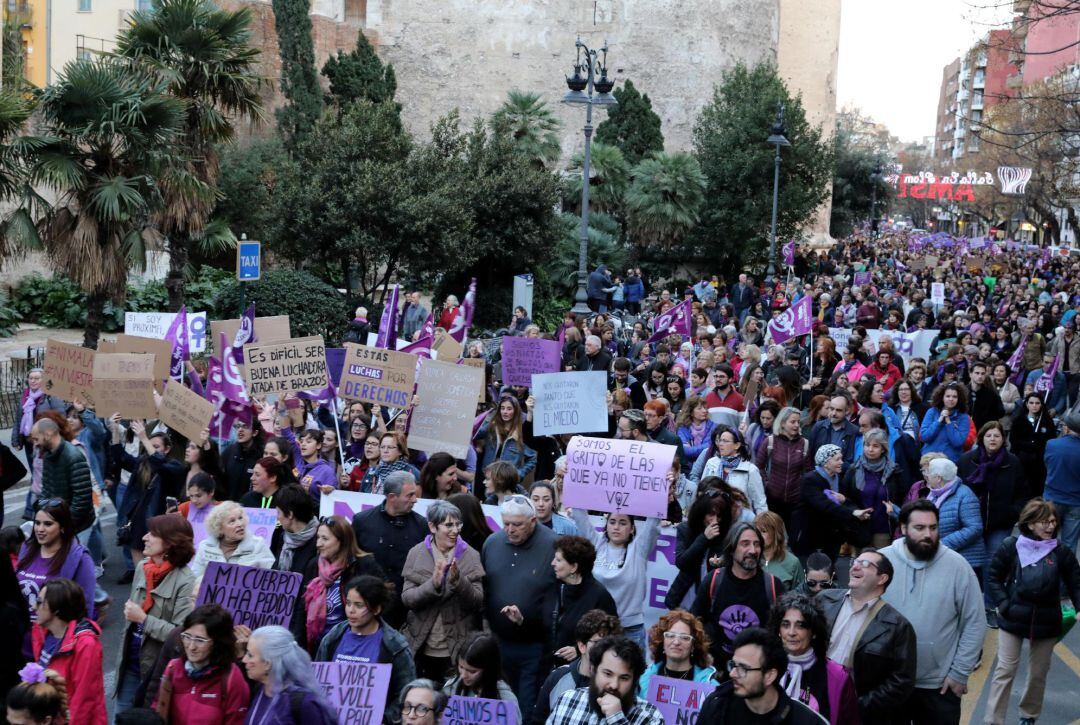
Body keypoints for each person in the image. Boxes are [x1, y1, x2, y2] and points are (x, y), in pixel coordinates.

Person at [880, 500, 986, 724]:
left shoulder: (958, 566)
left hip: (938, 686)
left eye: (933, 527)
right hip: (888, 681)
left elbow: (975, 622)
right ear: (904, 528)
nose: (928, 534)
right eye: (920, 528)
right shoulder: (881, 561)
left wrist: (960, 673)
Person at [985, 498, 1080, 725]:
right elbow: (993, 577)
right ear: (1029, 524)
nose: (1050, 527)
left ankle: (1029, 715)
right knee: (1005, 670)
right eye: (1044, 522)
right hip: (1012, 617)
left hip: (1047, 620)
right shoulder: (1011, 546)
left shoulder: (1062, 552)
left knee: (1038, 674)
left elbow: (1076, 582)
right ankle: (993, 720)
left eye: (1053, 522)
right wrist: (1004, 604)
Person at [816, 548, 915, 724]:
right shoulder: (824, 600)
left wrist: (855, 705)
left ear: (882, 578)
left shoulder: (898, 626)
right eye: (855, 562)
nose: (855, 567)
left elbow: (901, 683)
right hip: (816, 698)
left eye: (865, 564)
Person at [480, 496, 557, 721]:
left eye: (517, 524)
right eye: (506, 523)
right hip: (498, 642)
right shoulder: (492, 543)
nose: (510, 530)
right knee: (496, 703)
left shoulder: (553, 545)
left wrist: (528, 620)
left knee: (525, 708)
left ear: (533, 521)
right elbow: (484, 589)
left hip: (535, 646)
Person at [115, 515, 197, 714]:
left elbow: (181, 636)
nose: (144, 537)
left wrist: (143, 620)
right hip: (129, 663)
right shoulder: (143, 567)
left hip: (158, 671)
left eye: (152, 534)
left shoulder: (186, 581)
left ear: (170, 543)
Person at [400, 500, 484, 684]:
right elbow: (407, 599)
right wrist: (433, 585)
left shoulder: (471, 555)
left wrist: (459, 582)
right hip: (421, 645)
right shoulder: (416, 553)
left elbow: (477, 601)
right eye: (448, 525)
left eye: (458, 524)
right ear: (432, 527)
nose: (455, 530)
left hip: (455, 647)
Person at [315, 575, 416, 723]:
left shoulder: (394, 646)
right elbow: (317, 683)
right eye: (348, 603)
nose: (350, 610)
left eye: (359, 605)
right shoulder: (332, 638)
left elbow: (406, 694)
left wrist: (383, 719)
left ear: (376, 609)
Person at [691, 522, 786, 671]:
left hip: (756, 672)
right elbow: (694, 621)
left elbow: (783, 632)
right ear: (732, 549)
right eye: (745, 544)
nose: (753, 550)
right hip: (715, 670)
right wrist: (703, 653)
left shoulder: (774, 586)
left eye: (757, 544)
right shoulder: (714, 580)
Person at [570, 497, 662, 651]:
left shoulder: (639, 549)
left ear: (632, 528)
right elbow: (579, 516)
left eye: (623, 523)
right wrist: (572, 479)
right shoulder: (596, 544)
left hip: (630, 630)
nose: (616, 527)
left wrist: (662, 488)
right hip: (598, 629)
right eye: (612, 522)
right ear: (606, 526)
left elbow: (653, 523)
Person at [958, 420, 1025, 620]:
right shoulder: (967, 460)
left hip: (999, 523)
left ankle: (989, 606)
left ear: (1003, 439)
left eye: (996, 436)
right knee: (969, 564)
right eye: (988, 435)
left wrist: (1013, 512)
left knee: (992, 562)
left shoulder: (1012, 462)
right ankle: (968, 605)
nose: (992, 439)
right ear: (982, 438)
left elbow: (1022, 492)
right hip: (970, 522)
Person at [696, 627, 825, 724]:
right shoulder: (716, 707)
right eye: (733, 665)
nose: (732, 673)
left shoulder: (805, 721)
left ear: (769, 675)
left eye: (743, 668)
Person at [766, 591, 859, 724]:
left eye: (801, 625)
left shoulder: (837, 676)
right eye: (786, 625)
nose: (791, 632)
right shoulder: (765, 667)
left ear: (814, 632)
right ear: (778, 631)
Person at [352, 470, 427, 629]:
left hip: (405, 613)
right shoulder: (362, 522)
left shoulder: (421, 526)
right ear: (392, 497)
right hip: (368, 607)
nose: (415, 500)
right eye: (410, 495)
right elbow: (352, 561)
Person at [301, 516, 386, 653]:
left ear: (342, 541)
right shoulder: (314, 565)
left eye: (325, 539)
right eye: (318, 538)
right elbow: (301, 608)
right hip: (317, 645)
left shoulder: (363, 565)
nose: (318, 544)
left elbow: (384, 598)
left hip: (354, 645)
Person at [28, 578, 106, 724]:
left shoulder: (85, 645)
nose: (33, 606)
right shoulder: (41, 632)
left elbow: (84, 699)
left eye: (39, 602)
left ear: (56, 609)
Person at [154, 604, 248, 725]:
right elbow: (158, 710)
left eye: (200, 640)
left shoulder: (232, 679)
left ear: (218, 642)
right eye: (187, 637)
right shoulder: (173, 668)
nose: (191, 647)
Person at [547, 635, 664, 725]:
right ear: (593, 670)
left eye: (624, 678)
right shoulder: (567, 700)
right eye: (608, 674)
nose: (614, 685)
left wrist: (616, 718)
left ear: (634, 680)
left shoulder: (650, 716)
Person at [112, 421, 185, 565]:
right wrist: (114, 430)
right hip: (138, 524)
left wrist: (144, 438)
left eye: (156, 447)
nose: (151, 450)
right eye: (149, 446)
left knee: (158, 568)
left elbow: (160, 464)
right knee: (141, 571)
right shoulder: (142, 464)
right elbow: (120, 458)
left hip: (159, 526)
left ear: (167, 449)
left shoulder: (174, 467)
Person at [664, 483, 748, 609]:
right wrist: (703, 538)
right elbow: (681, 562)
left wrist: (722, 562)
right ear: (701, 513)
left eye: (719, 516)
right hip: (684, 595)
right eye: (711, 514)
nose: (715, 520)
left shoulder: (728, 534)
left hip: (712, 598)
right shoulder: (685, 529)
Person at [16, 500, 97, 628]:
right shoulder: (27, 548)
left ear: (62, 527)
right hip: (21, 635)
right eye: (37, 523)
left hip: (53, 641)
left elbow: (85, 607)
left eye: (48, 524)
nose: (40, 529)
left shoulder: (79, 558)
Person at [532, 611, 622, 725]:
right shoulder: (557, 677)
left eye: (611, 644)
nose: (606, 649)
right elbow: (538, 720)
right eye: (599, 643)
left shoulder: (617, 685)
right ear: (582, 646)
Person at [542, 535, 618, 668]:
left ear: (573, 567)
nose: (552, 563)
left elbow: (610, 638)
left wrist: (577, 650)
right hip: (547, 667)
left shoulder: (599, 596)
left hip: (581, 670)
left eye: (558, 560)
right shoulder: (552, 586)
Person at [243, 625, 337, 724]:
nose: (244, 660)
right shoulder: (259, 690)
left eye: (250, 655)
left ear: (268, 663)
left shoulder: (304, 704)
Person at [794, 445, 871, 560]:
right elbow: (825, 505)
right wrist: (853, 513)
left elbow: (845, 500)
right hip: (810, 536)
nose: (841, 462)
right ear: (825, 462)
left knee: (830, 570)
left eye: (841, 458)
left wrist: (845, 500)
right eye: (837, 459)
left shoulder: (838, 478)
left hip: (832, 537)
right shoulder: (810, 480)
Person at [841, 429, 903, 549]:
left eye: (875, 446)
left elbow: (901, 496)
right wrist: (856, 512)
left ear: (883, 449)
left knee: (881, 563)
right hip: (860, 526)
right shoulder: (854, 469)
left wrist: (894, 508)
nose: (870, 449)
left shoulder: (894, 471)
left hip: (883, 527)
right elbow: (846, 498)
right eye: (867, 445)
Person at [31, 420, 94, 536]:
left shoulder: (73, 456)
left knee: (81, 553)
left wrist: (66, 524)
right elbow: (46, 489)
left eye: (36, 439)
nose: (35, 444)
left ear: (48, 434)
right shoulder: (47, 455)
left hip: (77, 526)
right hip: (62, 523)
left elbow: (82, 499)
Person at [925, 458, 985, 577]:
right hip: (945, 558)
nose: (926, 476)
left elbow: (974, 528)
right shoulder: (934, 495)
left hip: (966, 562)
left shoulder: (965, 494)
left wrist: (941, 544)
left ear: (938, 478)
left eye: (928, 473)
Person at [441, 633, 521, 721]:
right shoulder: (451, 687)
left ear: (488, 670)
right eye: (461, 667)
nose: (463, 675)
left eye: (472, 671)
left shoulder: (506, 699)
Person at [637, 610, 717, 696]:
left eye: (685, 638)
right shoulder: (643, 679)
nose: (676, 642)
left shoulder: (709, 686)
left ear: (693, 646)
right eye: (670, 635)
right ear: (662, 641)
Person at [755, 406, 811, 526]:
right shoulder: (770, 442)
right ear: (782, 423)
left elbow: (809, 471)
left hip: (795, 502)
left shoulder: (804, 444)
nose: (796, 425)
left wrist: (801, 490)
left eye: (798, 422)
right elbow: (758, 466)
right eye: (792, 422)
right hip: (772, 500)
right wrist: (767, 483)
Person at [701, 427, 768, 514]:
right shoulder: (711, 463)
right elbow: (702, 492)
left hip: (740, 521)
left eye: (725, 441)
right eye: (720, 440)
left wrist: (762, 525)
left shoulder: (750, 470)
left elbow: (760, 503)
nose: (721, 444)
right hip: (714, 518)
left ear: (737, 445)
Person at [1042, 409, 1080, 552]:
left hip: (1052, 498)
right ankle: (1066, 573)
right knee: (1069, 544)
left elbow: (1048, 466)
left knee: (1046, 538)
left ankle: (1045, 570)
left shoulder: (1052, 444)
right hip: (1076, 502)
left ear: (1066, 428)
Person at [474, 397, 537, 481]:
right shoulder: (492, 427)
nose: (505, 412)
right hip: (488, 477)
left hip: (507, 480)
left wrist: (519, 474)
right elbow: (474, 434)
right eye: (502, 408)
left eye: (509, 409)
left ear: (516, 411)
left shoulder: (521, 433)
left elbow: (532, 458)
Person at [1008, 392, 1056, 500]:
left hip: (1039, 463)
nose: (1034, 405)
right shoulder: (1019, 420)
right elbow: (1014, 440)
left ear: (1041, 405)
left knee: (1037, 490)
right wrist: (1028, 446)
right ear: (1027, 404)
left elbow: (1051, 440)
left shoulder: (1047, 421)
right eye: (1031, 403)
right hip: (1022, 460)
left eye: (1037, 403)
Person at [919, 382, 971, 461]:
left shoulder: (964, 417)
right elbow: (924, 437)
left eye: (954, 397)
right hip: (929, 459)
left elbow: (958, 442)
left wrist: (948, 422)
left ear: (959, 399)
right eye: (948, 396)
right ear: (942, 397)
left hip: (950, 461)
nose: (951, 399)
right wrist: (939, 421)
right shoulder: (932, 412)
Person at [755, 511, 806, 591]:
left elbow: (801, 596)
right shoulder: (750, 558)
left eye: (763, 531)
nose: (758, 535)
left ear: (776, 533)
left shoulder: (792, 562)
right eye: (756, 531)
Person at [807, 395, 858, 471]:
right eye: (831, 409)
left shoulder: (854, 431)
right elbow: (810, 454)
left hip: (840, 478)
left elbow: (851, 461)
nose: (833, 413)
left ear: (847, 411)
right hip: (817, 476)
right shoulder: (819, 427)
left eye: (838, 410)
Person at [218, 420, 263, 503]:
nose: (240, 430)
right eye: (238, 426)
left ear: (255, 433)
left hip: (252, 509)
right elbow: (219, 477)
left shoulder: (262, 455)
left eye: (245, 426)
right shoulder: (230, 451)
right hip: (229, 507)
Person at [676, 397, 717, 468]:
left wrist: (692, 448)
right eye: (699, 408)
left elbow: (710, 448)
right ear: (691, 412)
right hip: (688, 467)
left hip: (707, 466)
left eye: (705, 408)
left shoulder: (714, 427)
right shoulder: (682, 429)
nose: (704, 411)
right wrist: (706, 445)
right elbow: (685, 451)